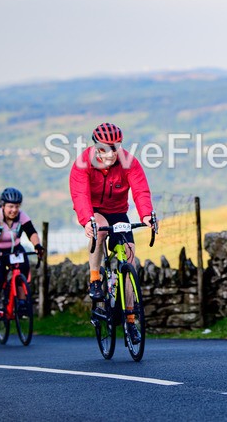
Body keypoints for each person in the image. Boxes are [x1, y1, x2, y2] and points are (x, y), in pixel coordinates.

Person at [69, 122, 153, 344]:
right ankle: (95, 278)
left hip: (118, 212)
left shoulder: (129, 162)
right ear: (96, 147)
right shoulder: (83, 163)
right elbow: (80, 195)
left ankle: (130, 321)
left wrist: (146, 215)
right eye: (104, 149)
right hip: (94, 210)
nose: (110, 154)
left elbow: (141, 190)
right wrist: (87, 221)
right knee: (100, 231)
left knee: (130, 259)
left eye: (114, 148)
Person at [0, 187, 43, 321]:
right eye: (10, 206)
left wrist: (37, 246)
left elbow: (31, 232)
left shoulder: (21, 216)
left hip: (14, 248)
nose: (14, 210)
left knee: (24, 270)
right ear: (3, 206)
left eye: (17, 206)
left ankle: (21, 304)